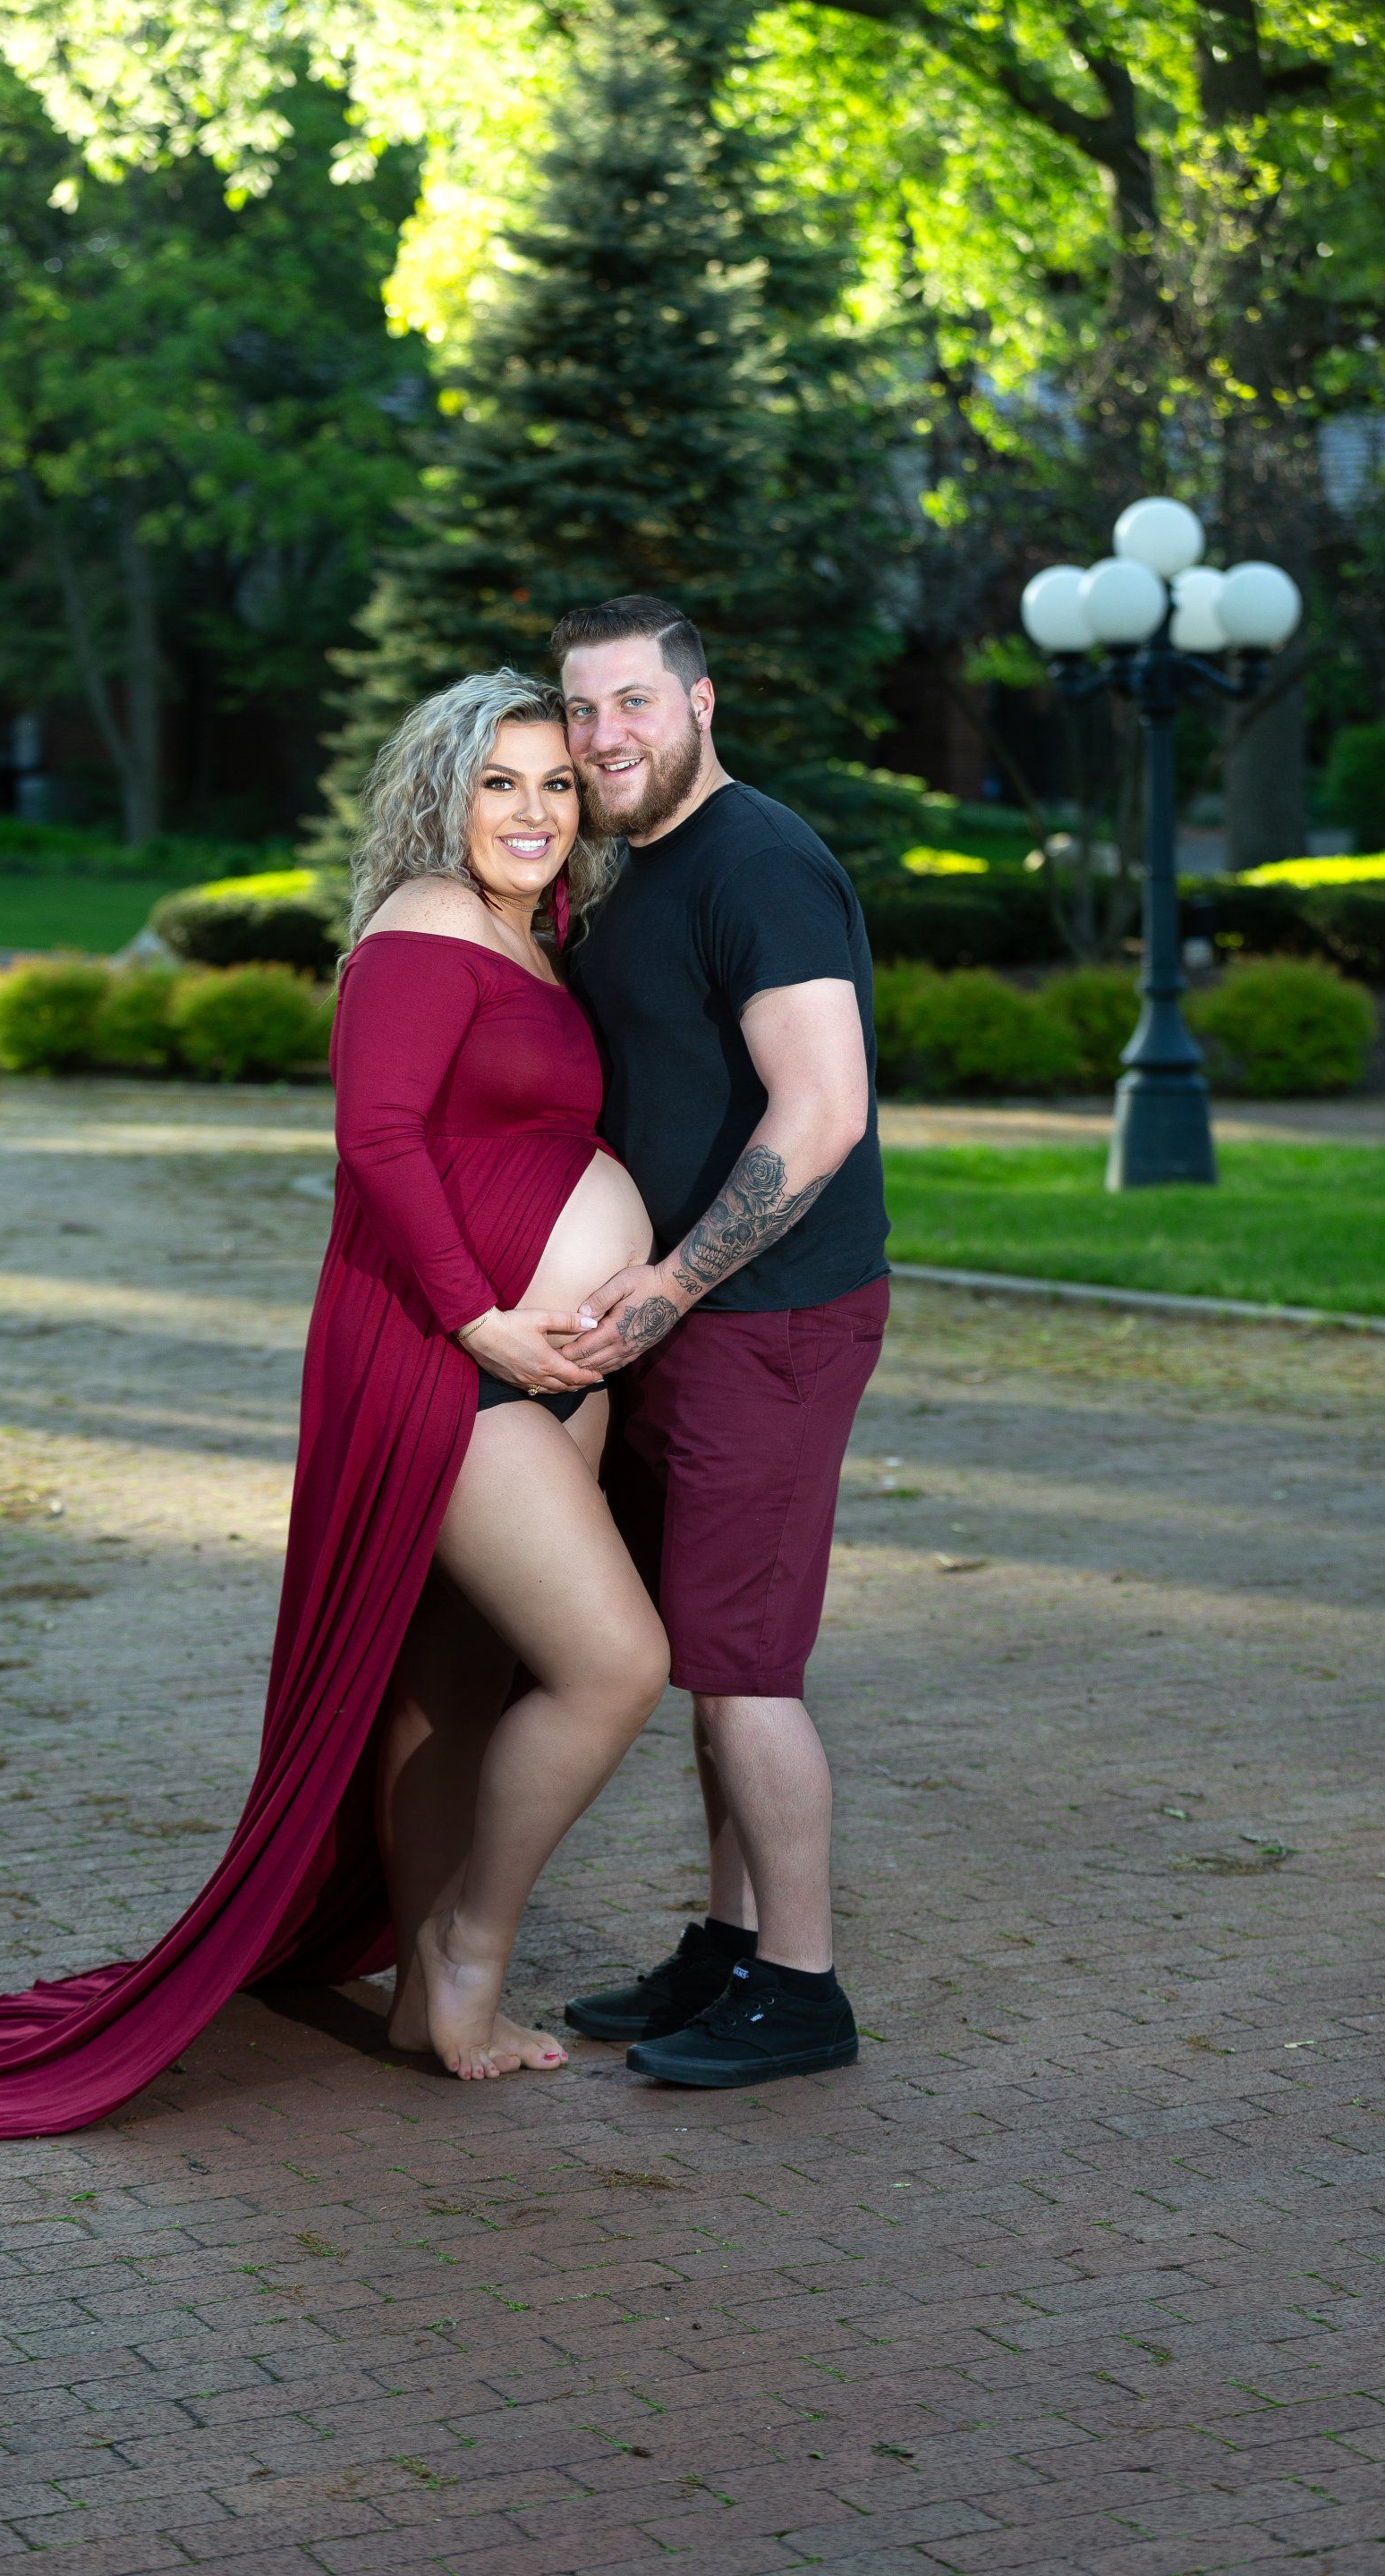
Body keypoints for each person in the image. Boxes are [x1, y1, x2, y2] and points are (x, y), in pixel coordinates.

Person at [0, 670, 667, 2135]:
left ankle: (432, 2000)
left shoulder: (533, 935)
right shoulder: (424, 926)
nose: (536, 812)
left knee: (456, 1678)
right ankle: (472, 1952)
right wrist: (484, 1319)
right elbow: (373, 1139)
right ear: (443, 793)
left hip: (542, 1362)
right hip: (454, 1355)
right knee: (616, 1662)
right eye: (501, 782)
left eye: (556, 783)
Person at [555, 594, 890, 2089]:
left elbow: (821, 1111)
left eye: (633, 702)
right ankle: (731, 1945)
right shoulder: (645, 869)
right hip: (695, 1317)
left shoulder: (758, 861)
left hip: (771, 1316)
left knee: (748, 1665)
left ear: (701, 704)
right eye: (581, 710)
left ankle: (803, 1989)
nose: (604, 735)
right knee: (710, 1649)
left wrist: (674, 1284)